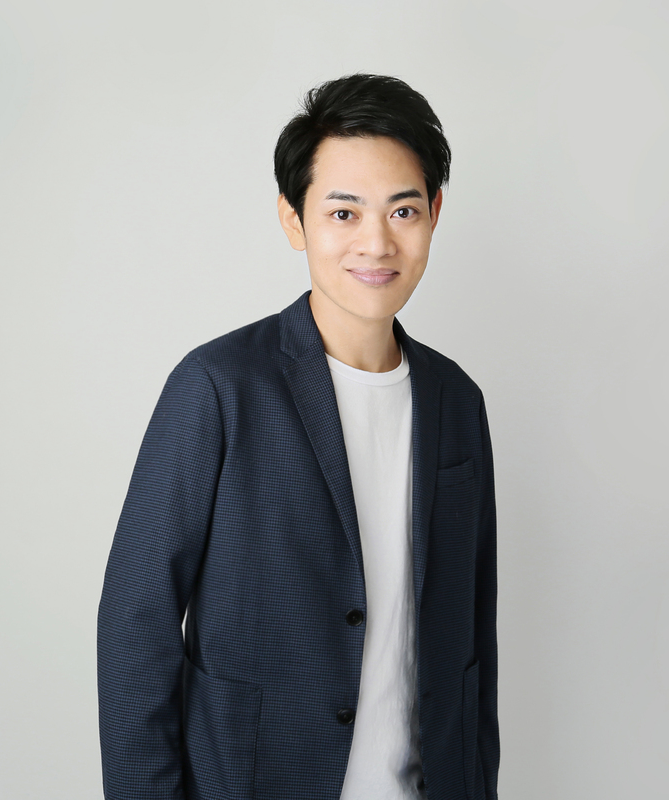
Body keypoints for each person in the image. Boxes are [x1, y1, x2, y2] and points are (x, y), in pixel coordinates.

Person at [98, 73, 499, 800]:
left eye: (403, 210)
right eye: (343, 213)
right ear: (293, 220)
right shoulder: (220, 386)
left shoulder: (458, 401)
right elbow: (137, 621)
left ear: (434, 213)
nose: (377, 241)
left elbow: (474, 634)